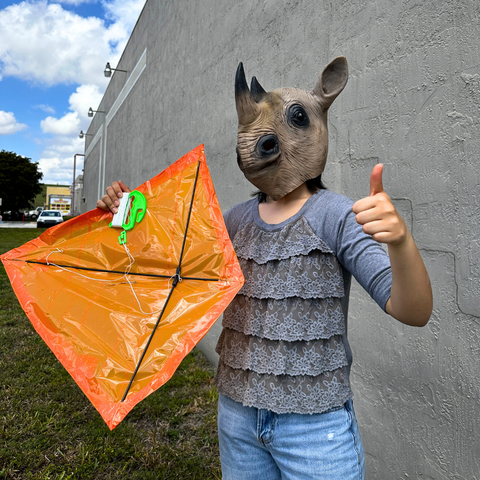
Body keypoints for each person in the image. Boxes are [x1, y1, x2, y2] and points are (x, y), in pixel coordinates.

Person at [97, 57, 432, 480]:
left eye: (293, 118)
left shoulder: (337, 216)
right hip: (237, 416)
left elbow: (413, 310)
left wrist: (400, 242)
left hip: (314, 427)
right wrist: (125, 215)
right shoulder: (234, 221)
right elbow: (170, 268)